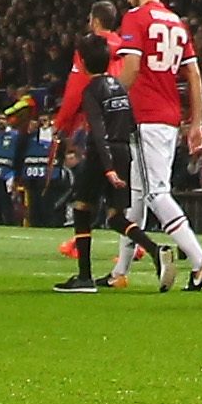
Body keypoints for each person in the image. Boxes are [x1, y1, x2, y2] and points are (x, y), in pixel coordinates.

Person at [109, 0, 202, 289]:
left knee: (156, 193)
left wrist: (110, 98)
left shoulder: (135, 18)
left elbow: (131, 66)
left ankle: (200, 260)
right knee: (138, 195)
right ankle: (120, 272)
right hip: (169, 116)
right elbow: (194, 75)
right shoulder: (177, 23)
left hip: (146, 116)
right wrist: (196, 122)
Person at [51, 20, 137, 292]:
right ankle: (158, 251)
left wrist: (108, 165)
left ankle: (84, 277)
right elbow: (131, 123)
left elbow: (98, 132)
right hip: (125, 150)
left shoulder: (91, 89)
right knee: (115, 216)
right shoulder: (120, 86)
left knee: (81, 206)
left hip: (104, 154)